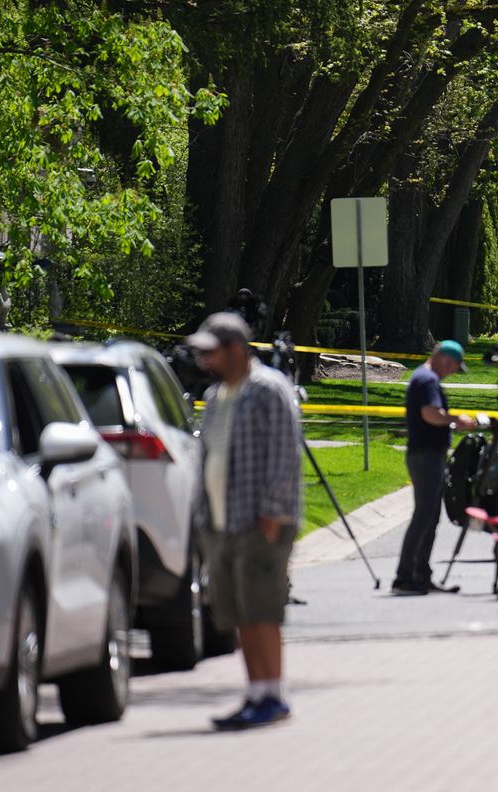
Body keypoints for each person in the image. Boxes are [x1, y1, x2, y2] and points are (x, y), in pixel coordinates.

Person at [187, 311, 303, 731]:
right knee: (238, 613)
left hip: (261, 522)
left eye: (210, 352)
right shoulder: (217, 396)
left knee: (261, 610)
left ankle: (274, 694)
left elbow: (285, 455)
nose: (204, 360)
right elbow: (208, 459)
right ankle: (255, 693)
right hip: (222, 522)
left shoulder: (270, 389)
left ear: (236, 349)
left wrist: (273, 510)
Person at [394, 340, 467, 595]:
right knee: (424, 515)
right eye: (453, 368)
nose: (451, 373)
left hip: (427, 454)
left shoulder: (424, 378)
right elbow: (430, 414)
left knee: (430, 516)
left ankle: (420, 574)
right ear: (444, 360)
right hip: (426, 455)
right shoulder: (427, 381)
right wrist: (457, 420)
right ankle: (404, 576)